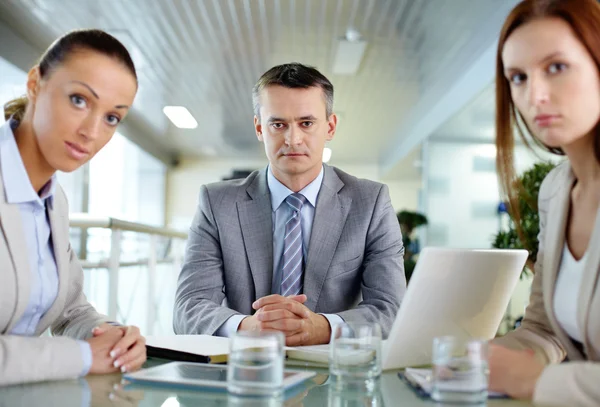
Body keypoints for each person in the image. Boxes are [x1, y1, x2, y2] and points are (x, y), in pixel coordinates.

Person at [174, 63, 405, 345]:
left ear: (330, 127)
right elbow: (188, 308)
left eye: (306, 123)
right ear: (259, 127)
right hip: (248, 370)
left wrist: (322, 328)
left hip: (334, 374)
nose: (292, 139)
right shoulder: (216, 203)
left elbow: (391, 310)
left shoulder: (370, 204)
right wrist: (249, 328)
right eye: (278, 124)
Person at [0, 29, 146, 386]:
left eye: (112, 117)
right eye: (79, 100)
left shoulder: (54, 200)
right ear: (35, 83)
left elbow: (70, 310)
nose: (92, 132)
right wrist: (79, 356)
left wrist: (115, 338)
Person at [489, 0, 600, 404]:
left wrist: (536, 382)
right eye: (517, 77)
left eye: (556, 67)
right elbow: (544, 331)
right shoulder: (555, 190)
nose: (534, 95)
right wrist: (482, 357)